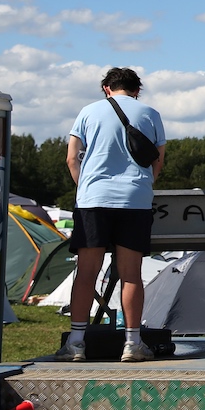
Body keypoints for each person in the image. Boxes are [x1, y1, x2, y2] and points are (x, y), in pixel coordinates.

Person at [56, 67, 166, 363]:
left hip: (94, 199)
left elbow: (71, 157)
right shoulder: (150, 114)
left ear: (106, 88)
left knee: (86, 272)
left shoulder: (88, 112)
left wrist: (86, 188)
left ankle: (76, 343)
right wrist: (141, 186)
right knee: (131, 275)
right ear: (136, 90)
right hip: (134, 200)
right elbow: (158, 160)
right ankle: (132, 343)